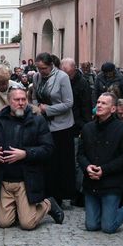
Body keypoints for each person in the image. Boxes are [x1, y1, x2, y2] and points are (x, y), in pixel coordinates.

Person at [0, 86, 65, 230]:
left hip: (26, 180)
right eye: (16, 100)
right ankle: (20, 208)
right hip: (4, 179)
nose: (21, 103)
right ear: (9, 101)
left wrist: (26, 153)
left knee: (27, 224)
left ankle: (48, 204)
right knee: (4, 223)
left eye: (23, 99)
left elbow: (48, 149)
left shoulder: (37, 120)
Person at [79, 93, 123, 233]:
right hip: (91, 183)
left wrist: (104, 170)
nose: (99, 105)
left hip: (112, 183)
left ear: (113, 109)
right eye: (98, 102)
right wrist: (87, 167)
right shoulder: (88, 128)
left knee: (108, 227)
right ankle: (104, 211)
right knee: (91, 226)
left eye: (104, 103)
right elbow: (80, 154)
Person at [32, 52, 77, 208]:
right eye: (38, 68)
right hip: (43, 125)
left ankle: (61, 195)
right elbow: (34, 96)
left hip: (62, 126)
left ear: (51, 65)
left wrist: (48, 109)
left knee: (61, 162)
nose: (41, 71)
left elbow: (68, 103)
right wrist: (37, 106)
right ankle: (46, 193)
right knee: (46, 161)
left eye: (43, 68)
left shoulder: (62, 77)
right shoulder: (36, 77)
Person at [62, 57, 93, 128]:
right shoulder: (60, 81)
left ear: (74, 70)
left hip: (77, 121)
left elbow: (86, 105)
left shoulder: (82, 83)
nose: (66, 77)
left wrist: (86, 125)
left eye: (69, 75)